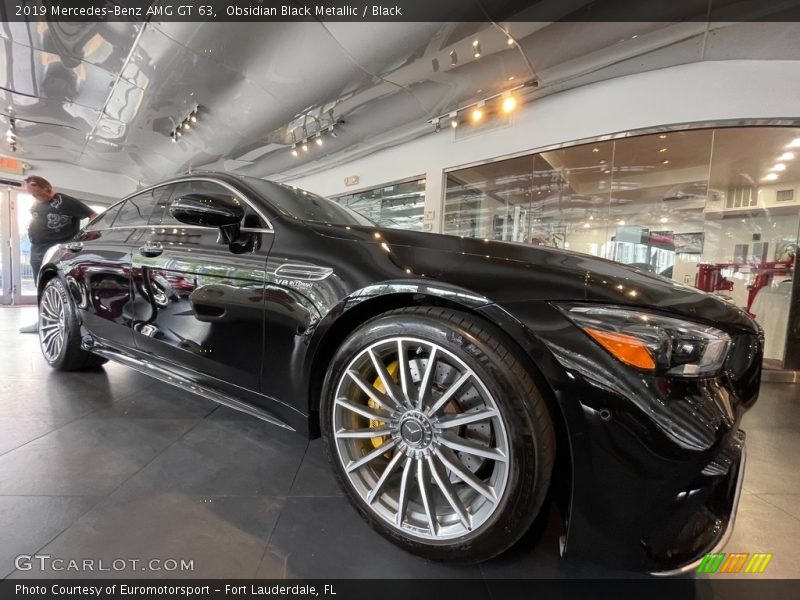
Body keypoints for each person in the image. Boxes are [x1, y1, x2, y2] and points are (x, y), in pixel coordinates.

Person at [19, 176, 97, 333]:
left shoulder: (64, 201)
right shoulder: (37, 204)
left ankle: (68, 322)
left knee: (61, 283)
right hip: (38, 248)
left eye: (36, 193)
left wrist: (90, 231)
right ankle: (44, 320)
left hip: (58, 248)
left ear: (47, 188)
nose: (34, 196)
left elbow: (93, 214)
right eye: (31, 194)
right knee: (41, 284)